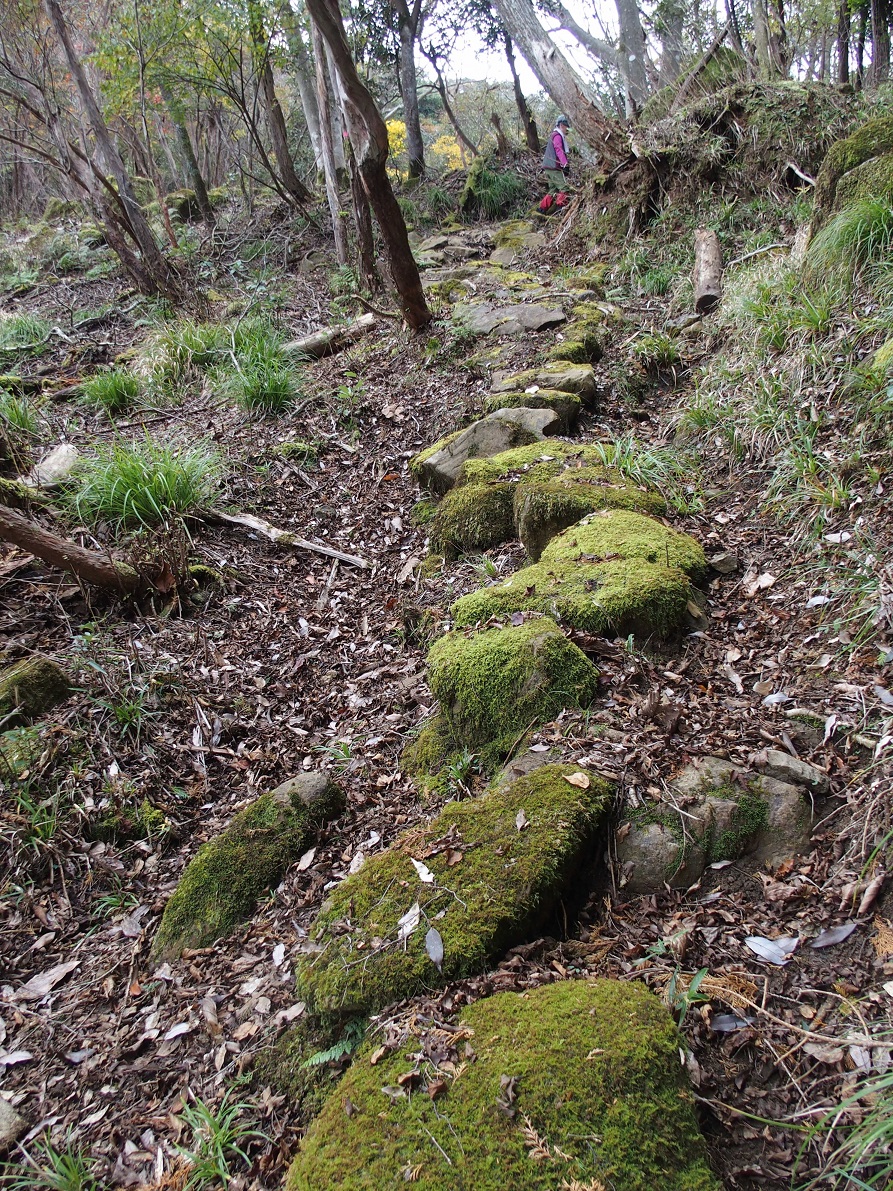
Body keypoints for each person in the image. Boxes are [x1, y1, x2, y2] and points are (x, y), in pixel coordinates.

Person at [542, 115, 571, 199]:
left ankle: (542, 209)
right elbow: (559, 150)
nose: (567, 129)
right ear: (561, 125)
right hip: (553, 167)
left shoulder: (554, 135)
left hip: (548, 167)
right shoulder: (557, 136)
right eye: (567, 127)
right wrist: (565, 164)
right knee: (564, 188)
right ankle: (561, 207)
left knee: (553, 190)